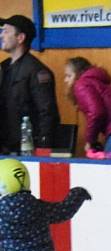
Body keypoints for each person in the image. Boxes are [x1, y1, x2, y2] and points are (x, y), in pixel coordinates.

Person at [0, 15, 60, 153]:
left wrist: (43, 147)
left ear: (20, 38)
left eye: (6, 31)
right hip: (5, 146)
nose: (2, 35)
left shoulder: (37, 70)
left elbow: (47, 112)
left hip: (27, 148)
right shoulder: (3, 68)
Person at [63, 57, 111, 159]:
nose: (65, 80)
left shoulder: (81, 85)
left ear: (78, 74)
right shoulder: (95, 82)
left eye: (69, 76)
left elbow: (96, 113)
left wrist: (90, 140)